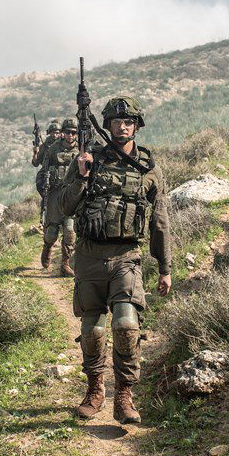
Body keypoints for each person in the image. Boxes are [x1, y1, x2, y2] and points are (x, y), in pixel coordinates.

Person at [57, 97, 171, 424]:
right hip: (90, 256)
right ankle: (95, 389)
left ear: (137, 125)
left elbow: (159, 221)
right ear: (107, 124)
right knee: (92, 330)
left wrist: (164, 268)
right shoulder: (88, 159)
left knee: (126, 324)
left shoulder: (148, 168)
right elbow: (64, 206)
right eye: (117, 121)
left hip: (127, 258)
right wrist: (80, 175)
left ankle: (124, 394)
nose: (123, 126)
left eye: (129, 121)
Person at [41, 118, 80, 275]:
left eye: (73, 132)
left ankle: (65, 264)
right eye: (67, 132)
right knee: (51, 232)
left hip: (72, 195)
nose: (70, 135)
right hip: (55, 195)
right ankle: (47, 248)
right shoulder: (53, 149)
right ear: (62, 133)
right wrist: (43, 186)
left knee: (70, 231)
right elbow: (43, 170)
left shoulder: (81, 150)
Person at [33, 119, 62, 202]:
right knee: (39, 182)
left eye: (57, 133)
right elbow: (35, 163)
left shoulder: (64, 144)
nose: (55, 135)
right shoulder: (44, 146)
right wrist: (35, 152)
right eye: (53, 133)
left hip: (62, 169)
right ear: (49, 133)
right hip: (48, 170)